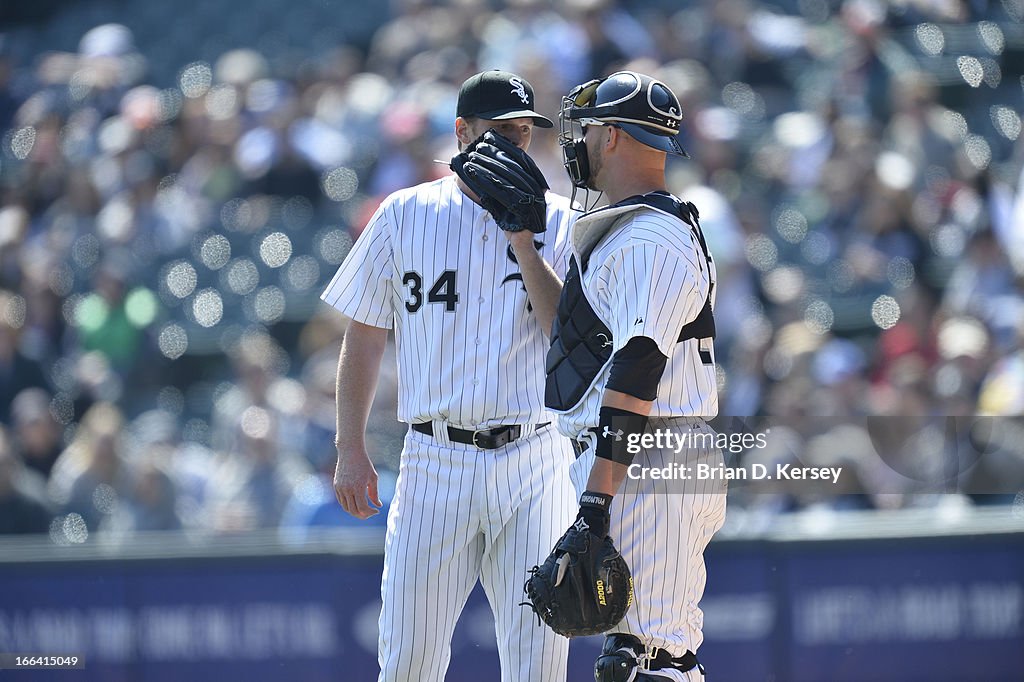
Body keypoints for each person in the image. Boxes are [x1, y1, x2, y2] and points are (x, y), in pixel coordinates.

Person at [321, 70, 577, 682]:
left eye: (524, 133)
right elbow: (364, 333)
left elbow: (566, 338)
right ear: (461, 133)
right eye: (500, 132)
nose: (515, 145)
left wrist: (523, 240)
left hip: (534, 455)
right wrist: (349, 447)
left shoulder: (559, 219)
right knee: (409, 662)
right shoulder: (405, 214)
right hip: (436, 458)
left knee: (540, 662)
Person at [545, 71, 728, 681]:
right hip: (643, 455)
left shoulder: (650, 237)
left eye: (590, 128)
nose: (580, 142)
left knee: (652, 657)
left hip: (652, 455)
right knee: (637, 651)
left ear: (615, 138)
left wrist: (596, 502)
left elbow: (640, 366)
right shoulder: (634, 229)